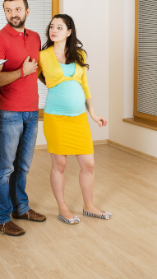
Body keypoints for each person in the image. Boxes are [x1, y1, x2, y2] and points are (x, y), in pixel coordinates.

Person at [38, 14, 111, 225]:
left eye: (59, 27)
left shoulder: (79, 54)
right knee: (59, 164)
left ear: (69, 32)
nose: (54, 30)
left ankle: (89, 206)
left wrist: (93, 113)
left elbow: (85, 86)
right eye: (52, 26)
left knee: (89, 163)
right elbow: (34, 76)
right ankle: (63, 208)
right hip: (56, 118)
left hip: (79, 118)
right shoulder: (43, 55)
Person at [0, 0, 46, 236]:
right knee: (4, 168)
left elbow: (38, 70)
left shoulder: (35, 37)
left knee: (23, 165)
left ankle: (20, 208)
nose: (13, 14)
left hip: (32, 111)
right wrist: (22, 72)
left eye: (17, 9)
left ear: (27, 11)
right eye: (8, 10)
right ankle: (1, 217)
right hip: (8, 113)